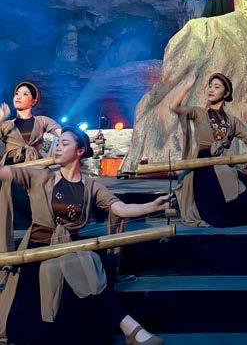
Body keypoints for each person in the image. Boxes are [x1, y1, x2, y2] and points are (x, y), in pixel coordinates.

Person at [0, 125, 169, 345]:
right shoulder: (40, 176)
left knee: (84, 259)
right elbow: (5, 172)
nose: (57, 147)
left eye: (64, 143)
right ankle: (129, 327)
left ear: (79, 151)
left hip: (69, 247)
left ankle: (127, 328)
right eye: (57, 143)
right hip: (37, 251)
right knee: (86, 261)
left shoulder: (90, 186)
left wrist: (152, 206)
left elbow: (120, 208)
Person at [170, 72, 247, 227]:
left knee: (244, 179)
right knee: (225, 175)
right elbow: (174, 107)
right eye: (210, 86)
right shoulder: (199, 113)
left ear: (226, 93)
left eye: (216, 87)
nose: (211, 89)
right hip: (203, 164)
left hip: (220, 162)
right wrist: (187, 86)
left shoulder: (232, 121)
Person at [0, 81, 62, 230]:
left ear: (33, 101)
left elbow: (63, 134)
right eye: (16, 94)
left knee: (42, 198)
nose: (18, 97)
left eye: (24, 94)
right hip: (12, 173)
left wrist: (79, 139)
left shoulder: (42, 121)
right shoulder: (6, 125)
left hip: (35, 169)